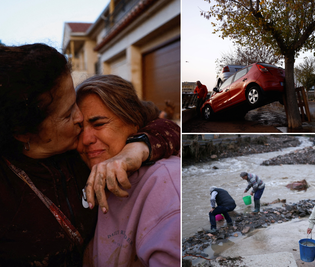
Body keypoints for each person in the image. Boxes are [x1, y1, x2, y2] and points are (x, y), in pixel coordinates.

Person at [0, 43, 180, 266]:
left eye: (75, 102)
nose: (79, 120)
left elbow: (165, 125)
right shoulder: (11, 185)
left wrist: (136, 148)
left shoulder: (162, 183)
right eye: (67, 115)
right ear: (24, 133)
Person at [77, 75, 180, 266]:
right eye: (78, 128)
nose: (85, 139)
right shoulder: (78, 168)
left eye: (98, 124)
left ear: (134, 122)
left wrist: (137, 147)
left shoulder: (165, 183)